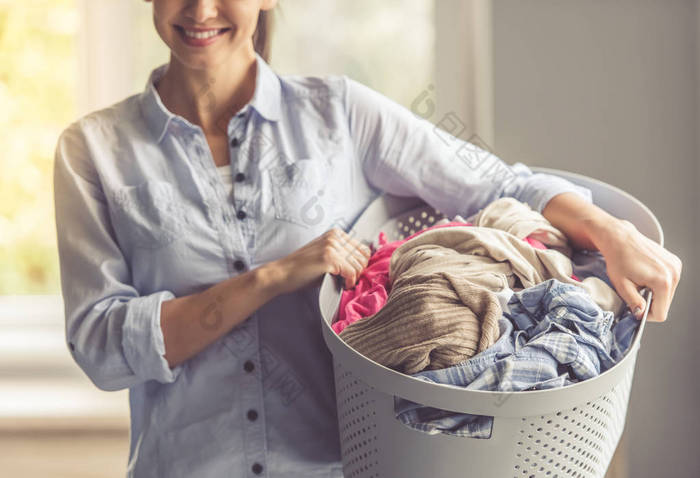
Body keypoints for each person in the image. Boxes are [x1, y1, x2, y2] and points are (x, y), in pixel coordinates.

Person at [52, 1, 681, 477]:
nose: (199, 9)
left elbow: (492, 182)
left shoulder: (340, 114)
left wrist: (612, 230)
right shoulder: (93, 153)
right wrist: (272, 276)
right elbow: (103, 347)